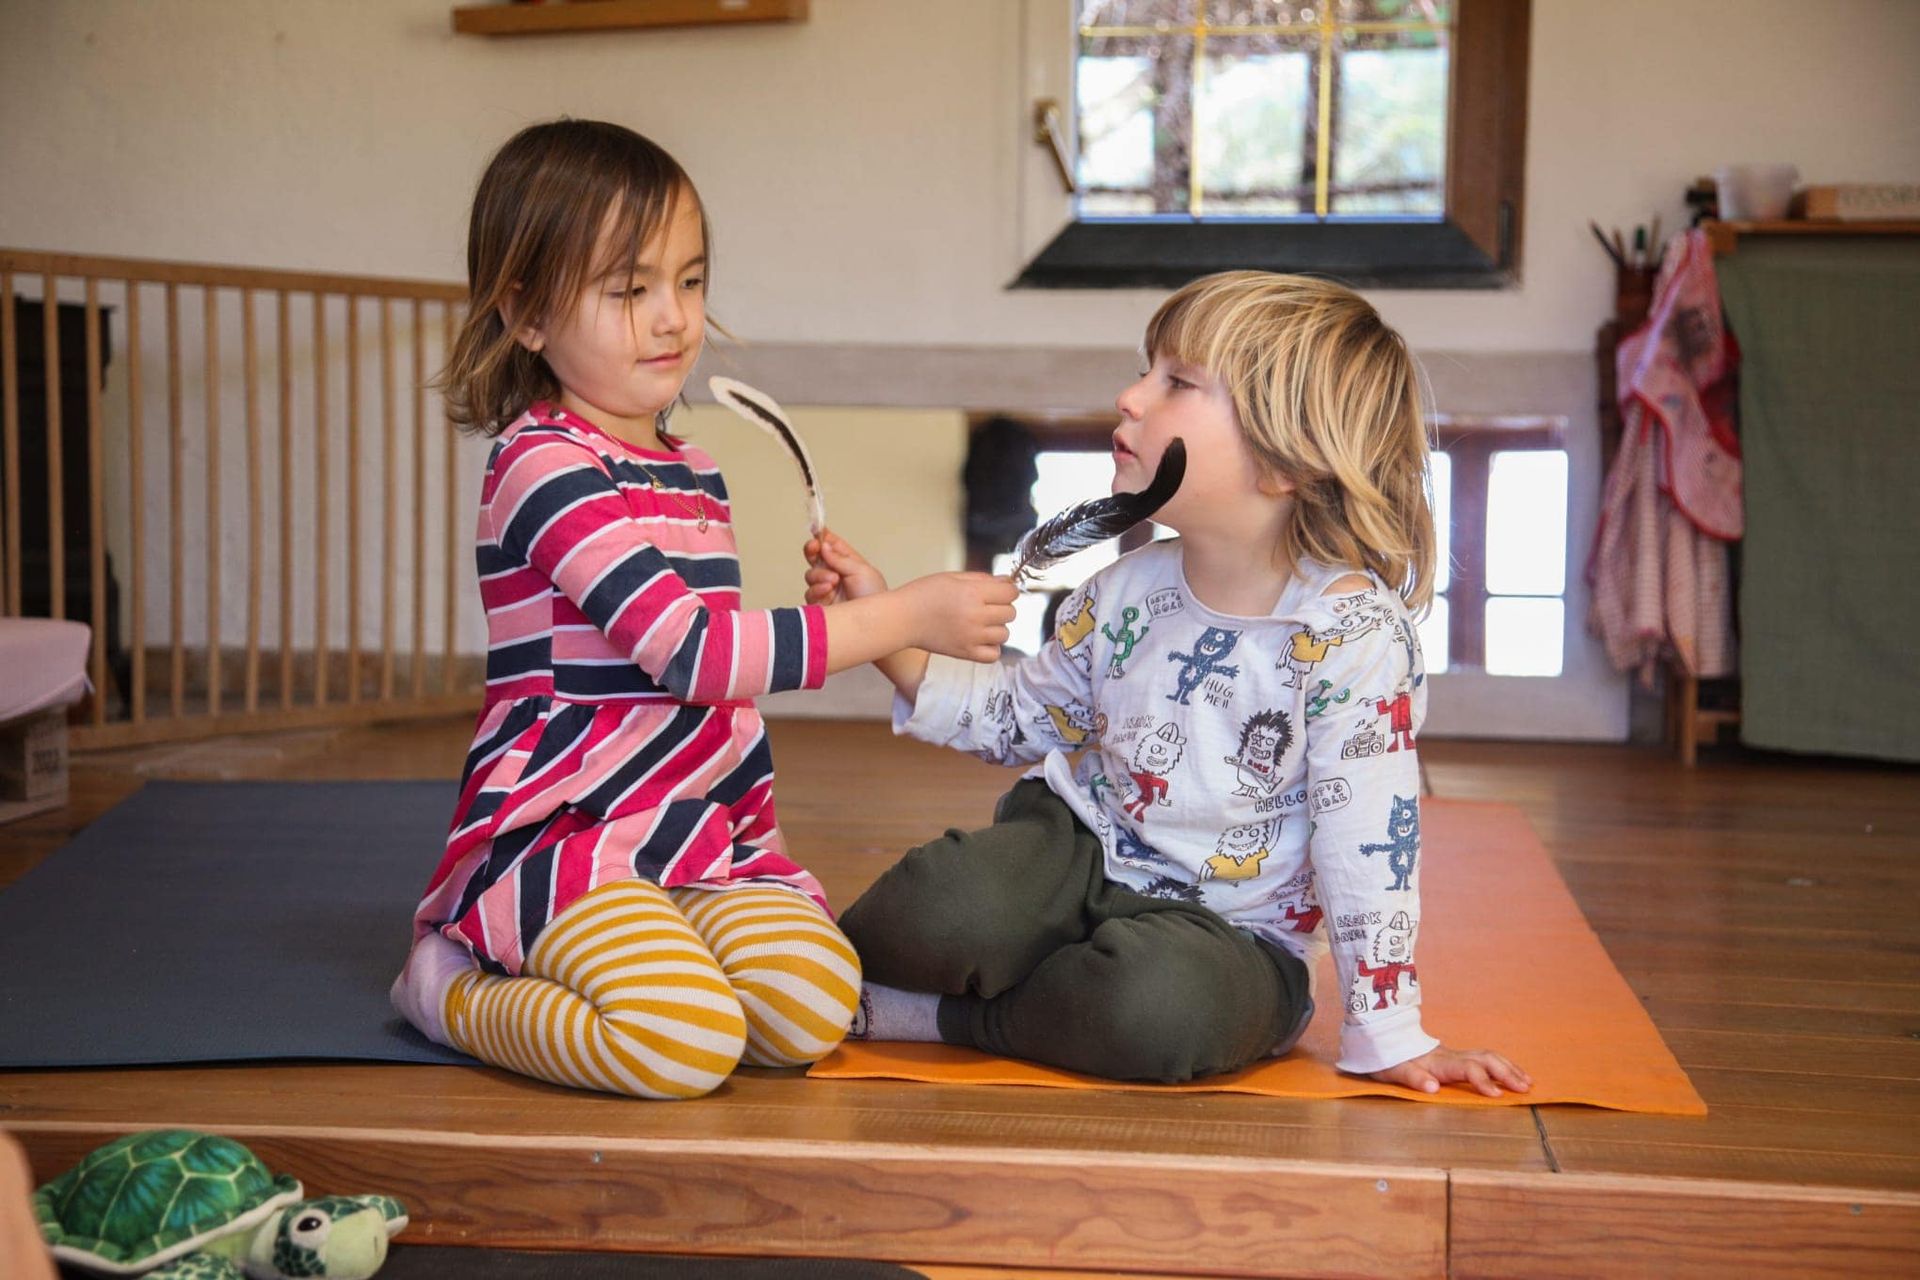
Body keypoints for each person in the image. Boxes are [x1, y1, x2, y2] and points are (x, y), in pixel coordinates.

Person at [390, 119, 1017, 1100]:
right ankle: (451, 986)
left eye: (689, 279)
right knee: (681, 1042)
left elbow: (702, 683)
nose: (673, 317)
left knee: (812, 1002)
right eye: (628, 289)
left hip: (690, 832)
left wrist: (865, 605)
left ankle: (663, 935)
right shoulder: (541, 463)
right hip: (568, 836)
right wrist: (902, 617)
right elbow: (690, 653)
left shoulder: (693, 470)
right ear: (526, 314)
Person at [805, 272, 1531, 1097]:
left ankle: (945, 1018)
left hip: (1236, 936)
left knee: (1150, 1008)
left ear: (1285, 458)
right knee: (930, 908)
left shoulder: (1352, 637)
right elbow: (1014, 719)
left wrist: (1390, 1030)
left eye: (1177, 383)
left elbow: (1370, 848)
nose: (1131, 396)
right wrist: (886, 632)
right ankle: (1000, 975)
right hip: (1080, 851)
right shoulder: (1121, 595)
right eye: (1147, 371)